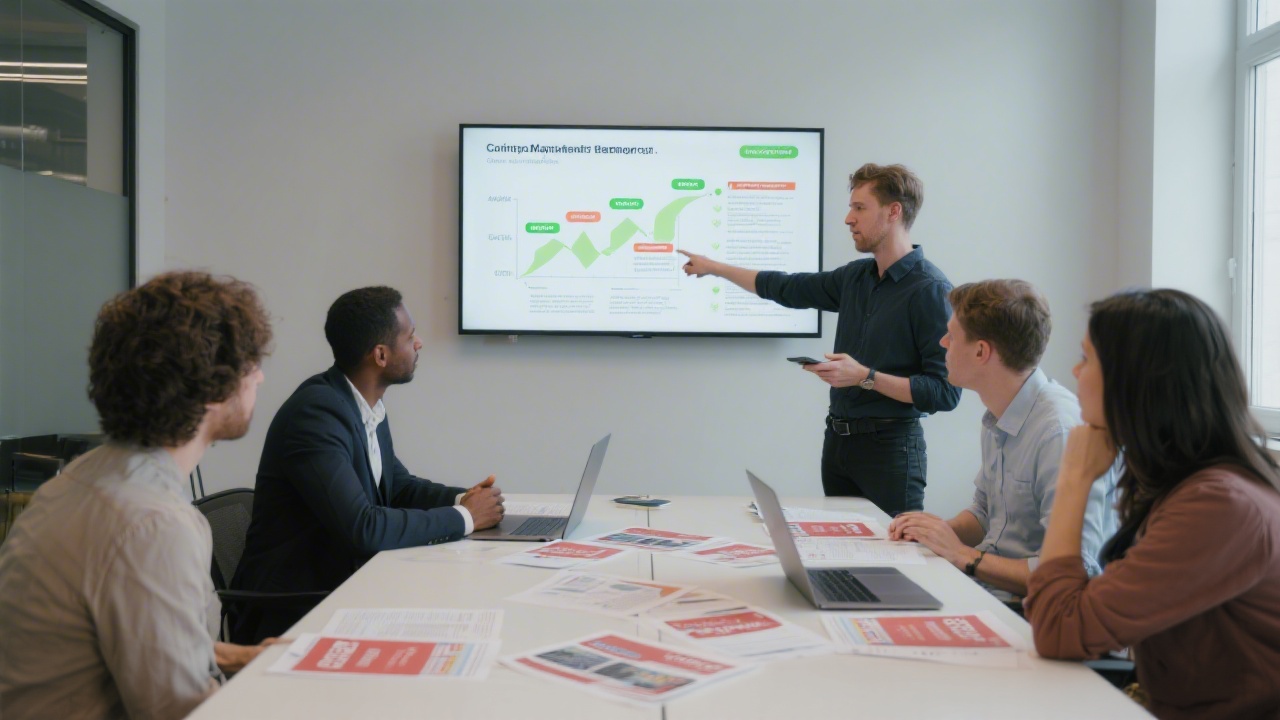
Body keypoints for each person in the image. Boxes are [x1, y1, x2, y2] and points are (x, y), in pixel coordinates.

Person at [0, 272, 278, 720]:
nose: (260, 376)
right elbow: (184, 712)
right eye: (251, 363)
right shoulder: (152, 525)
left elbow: (134, 635)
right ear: (211, 387)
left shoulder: (85, 479)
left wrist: (242, 656)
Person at [1026, 289, 1280, 720]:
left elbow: (1057, 627)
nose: (1074, 371)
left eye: (1087, 359)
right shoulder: (1181, 482)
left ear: (1137, 379)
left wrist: (1074, 478)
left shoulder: (1219, 505)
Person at [230, 286, 505, 644]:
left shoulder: (364, 406)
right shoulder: (316, 414)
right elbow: (363, 528)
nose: (419, 343)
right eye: (410, 336)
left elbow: (399, 486)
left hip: (346, 587)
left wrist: (464, 499)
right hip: (295, 610)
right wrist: (467, 517)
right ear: (380, 354)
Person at [680, 163, 959, 515]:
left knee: (891, 564)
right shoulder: (856, 277)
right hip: (838, 445)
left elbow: (945, 393)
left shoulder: (930, 290)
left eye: (860, 208)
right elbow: (785, 287)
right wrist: (715, 268)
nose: (848, 218)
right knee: (840, 556)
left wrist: (865, 377)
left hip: (891, 450)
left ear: (893, 212)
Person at [888, 280, 1118, 602]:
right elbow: (986, 513)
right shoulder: (998, 413)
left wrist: (963, 556)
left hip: (1030, 611)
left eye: (951, 336)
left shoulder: (1058, 432)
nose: (942, 342)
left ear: (981, 351)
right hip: (989, 591)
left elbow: (1077, 571)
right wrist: (937, 533)